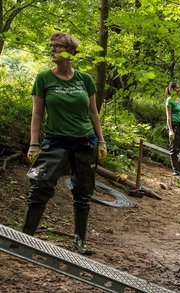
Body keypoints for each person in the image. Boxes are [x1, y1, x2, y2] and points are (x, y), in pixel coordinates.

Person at [23, 32, 106, 255]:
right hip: (55, 141)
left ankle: (80, 240)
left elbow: (93, 113)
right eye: (51, 46)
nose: (52, 49)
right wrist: (33, 144)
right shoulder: (44, 79)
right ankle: (25, 238)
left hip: (85, 142)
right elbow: (37, 114)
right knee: (40, 185)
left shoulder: (84, 79)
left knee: (83, 191)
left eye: (58, 46)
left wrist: (101, 141)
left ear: (70, 52)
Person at [165, 82, 180, 176]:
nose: (179, 89)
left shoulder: (178, 99)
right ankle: (176, 172)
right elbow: (168, 116)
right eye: (177, 88)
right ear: (172, 89)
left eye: (179, 88)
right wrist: (170, 130)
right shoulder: (170, 99)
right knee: (174, 149)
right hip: (173, 125)